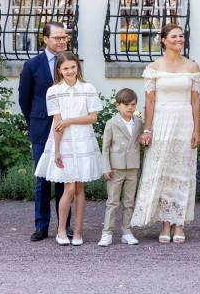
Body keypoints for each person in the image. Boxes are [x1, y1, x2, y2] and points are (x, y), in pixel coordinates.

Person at [130, 23, 200, 244]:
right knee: (162, 170)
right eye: (174, 36)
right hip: (161, 122)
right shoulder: (154, 67)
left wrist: (197, 129)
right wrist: (148, 128)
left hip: (184, 122)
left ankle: (179, 223)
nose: (179, 40)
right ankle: (165, 222)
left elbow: (195, 101)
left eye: (181, 36)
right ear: (163, 40)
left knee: (181, 172)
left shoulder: (192, 67)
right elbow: (149, 101)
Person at [34, 51, 103, 246]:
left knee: (80, 188)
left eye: (73, 67)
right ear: (59, 70)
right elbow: (57, 123)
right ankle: (61, 230)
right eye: (66, 68)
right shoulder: (53, 91)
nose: (70, 71)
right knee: (69, 187)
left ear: (77, 67)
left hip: (83, 140)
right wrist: (56, 150)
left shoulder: (88, 88)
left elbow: (93, 117)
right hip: (64, 142)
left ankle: (79, 231)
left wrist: (70, 120)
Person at [19, 21, 71, 242]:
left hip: (66, 128)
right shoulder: (32, 65)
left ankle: (64, 226)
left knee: (63, 178)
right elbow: (24, 99)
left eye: (63, 37)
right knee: (43, 180)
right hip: (41, 128)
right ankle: (41, 226)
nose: (61, 41)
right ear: (45, 39)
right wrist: (34, 124)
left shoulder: (71, 62)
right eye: (57, 37)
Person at [98, 88, 143, 247]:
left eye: (133, 104)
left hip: (132, 167)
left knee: (129, 201)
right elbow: (105, 147)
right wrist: (106, 167)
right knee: (112, 202)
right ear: (118, 105)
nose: (130, 108)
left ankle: (127, 231)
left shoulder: (138, 122)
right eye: (126, 105)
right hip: (116, 168)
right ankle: (107, 233)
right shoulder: (112, 123)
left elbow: (141, 139)